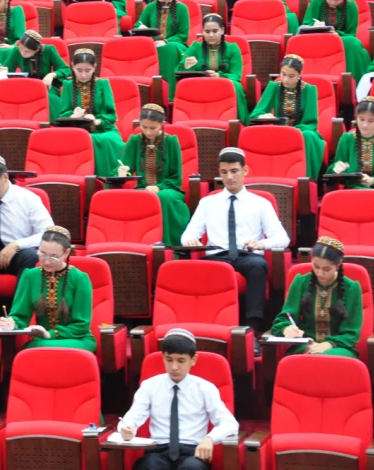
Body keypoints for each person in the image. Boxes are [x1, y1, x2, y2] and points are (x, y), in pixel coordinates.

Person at [182, 147, 290, 355]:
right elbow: (187, 235)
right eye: (224, 172)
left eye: (234, 171)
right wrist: (190, 240)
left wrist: (262, 244)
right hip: (217, 255)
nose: (229, 177)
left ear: (245, 170)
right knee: (194, 269)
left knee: (259, 266)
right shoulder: (207, 203)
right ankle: (206, 331)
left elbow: (282, 238)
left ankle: (252, 330)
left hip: (247, 255)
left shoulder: (260, 203)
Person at [118, 328, 239, 469]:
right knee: (147, 465)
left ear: (193, 360)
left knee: (191, 468)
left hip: (193, 452)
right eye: (169, 360)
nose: (174, 367)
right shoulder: (149, 386)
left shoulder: (205, 388)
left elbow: (230, 424)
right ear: (163, 357)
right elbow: (131, 418)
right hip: (158, 450)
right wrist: (125, 429)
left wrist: (210, 439)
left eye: (181, 361)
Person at [0, 226, 95, 350]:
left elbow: (82, 325)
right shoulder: (30, 276)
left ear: (66, 253)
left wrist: (50, 334)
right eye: (42, 254)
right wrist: (12, 323)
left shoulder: (80, 278)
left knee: (39, 348)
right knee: (34, 348)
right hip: (42, 340)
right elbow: (20, 316)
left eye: (54, 257)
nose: (47, 262)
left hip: (77, 339)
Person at [270, 236, 363, 357]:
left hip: (338, 347)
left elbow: (352, 332)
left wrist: (327, 344)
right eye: (316, 266)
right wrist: (286, 328)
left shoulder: (351, 288)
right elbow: (284, 318)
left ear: (338, 264)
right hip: (306, 344)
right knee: (306, 357)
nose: (319, 273)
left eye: (326, 269)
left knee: (329, 359)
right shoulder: (300, 282)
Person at [117, 104, 190, 246]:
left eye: (153, 128)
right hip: (143, 187)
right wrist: (121, 172)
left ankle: (170, 245)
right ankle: (139, 243)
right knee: (135, 197)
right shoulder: (135, 140)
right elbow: (123, 166)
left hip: (168, 188)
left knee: (164, 197)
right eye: (144, 127)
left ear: (162, 124)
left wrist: (159, 187)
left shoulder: (171, 141)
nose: (148, 132)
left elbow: (176, 177)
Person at [249, 54, 324, 179]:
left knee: (309, 136)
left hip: (302, 130)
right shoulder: (274, 86)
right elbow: (255, 114)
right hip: (278, 130)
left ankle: (306, 180)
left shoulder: (310, 90)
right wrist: (265, 116)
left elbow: (311, 122)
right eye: (283, 74)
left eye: (291, 76)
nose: (285, 79)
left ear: (300, 75)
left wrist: (294, 130)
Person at [54, 49, 126, 178]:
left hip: (103, 129)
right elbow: (62, 114)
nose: (83, 75)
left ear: (95, 67)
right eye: (79, 70)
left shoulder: (103, 84)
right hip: (76, 130)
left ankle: (107, 180)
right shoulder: (68, 85)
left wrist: (96, 121)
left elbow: (111, 115)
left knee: (106, 140)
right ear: (72, 66)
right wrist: (72, 115)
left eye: (88, 71)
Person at [328, 97, 374, 202]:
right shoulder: (347, 139)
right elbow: (332, 173)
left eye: (370, 121)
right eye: (361, 119)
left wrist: (373, 180)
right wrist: (335, 169)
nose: (364, 125)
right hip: (353, 190)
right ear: (356, 117)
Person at [177, 14, 249, 119]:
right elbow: (179, 70)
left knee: (236, 85)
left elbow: (236, 75)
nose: (211, 35)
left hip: (223, 83)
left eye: (215, 31)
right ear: (202, 32)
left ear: (222, 30)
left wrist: (219, 76)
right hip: (200, 85)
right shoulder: (195, 46)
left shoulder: (233, 48)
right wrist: (186, 65)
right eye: (207, 32)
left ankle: (237, 122)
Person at [301, 0, 370, 82]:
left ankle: (352, 83)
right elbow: (305, 24)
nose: (333, 2)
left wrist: (336, 33)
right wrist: (314, 25)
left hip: (341, 39)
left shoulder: (351, 6)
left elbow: (351, 33)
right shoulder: (317, 1)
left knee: (353, 43)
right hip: (318, 38)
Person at [134, 0, 189, 101]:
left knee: (168, 49)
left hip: (176, 46)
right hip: (152, 43)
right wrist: (142, 29)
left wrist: (166, 41)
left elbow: (183, 35)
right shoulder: (150, 7)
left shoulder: (182, 9)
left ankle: (170, 96)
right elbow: (138, 25)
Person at [0, 30, 71, 119]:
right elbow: (6, 70)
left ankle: (53, 124)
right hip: (25, 87)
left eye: (27, 51)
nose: (23, 53)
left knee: (50, 99)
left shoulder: (49, 50)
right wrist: (4, 71)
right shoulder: (16, 51)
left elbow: (65, 69)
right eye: (21, 48)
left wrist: (51, 75)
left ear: (37, 49)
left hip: (45, 87)